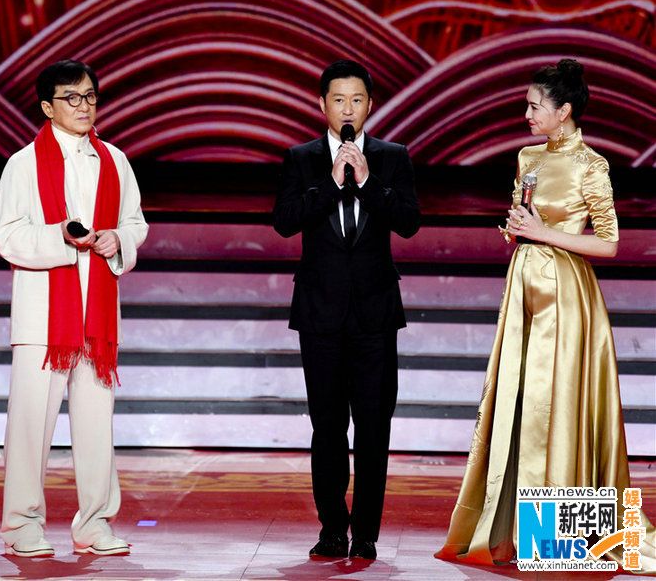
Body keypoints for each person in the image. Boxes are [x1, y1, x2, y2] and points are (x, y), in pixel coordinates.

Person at [436, 59, 655, 573]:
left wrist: (542, 233)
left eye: (535, 107)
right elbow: (524, 218)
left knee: (556, 407)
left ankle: (559, 538)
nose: (527, 115)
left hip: (566, 296)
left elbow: (609, 243)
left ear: (565, 111)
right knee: (518, 403)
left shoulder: (591, 165)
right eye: (528, 106)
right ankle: (513, 528)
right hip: (523, 288)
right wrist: (517, 228)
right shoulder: (527, 156)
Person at [0, 59, 148, 558]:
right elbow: (6, 235)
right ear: (47, 106)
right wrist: (60, 236)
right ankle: (22, 525)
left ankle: (95, 522)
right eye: (72, 98)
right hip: (44, 317)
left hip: (97, 316)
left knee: (96, 424)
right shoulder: (22, 164)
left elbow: (136, 223)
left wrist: (117, 239)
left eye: (90, 96)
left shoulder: (114, 159)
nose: (84, 106)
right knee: (30, 426)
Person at [273, 59, 421, 560]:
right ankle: (333, 528)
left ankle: (367, 533)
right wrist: (332, 183)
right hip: (320, 314)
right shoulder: (301, 159)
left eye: (357, 100)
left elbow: (409, 223)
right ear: (322, 105)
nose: (348, 109)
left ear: (370, 105)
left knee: (374, 427)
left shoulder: (393, 157)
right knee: (328, 427)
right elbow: (284, 221)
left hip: (375, 315)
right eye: (338, 100)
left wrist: (370, 180)